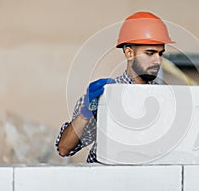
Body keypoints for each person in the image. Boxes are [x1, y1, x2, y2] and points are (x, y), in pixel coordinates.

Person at [55, 11, 175, 163]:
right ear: (129, 53)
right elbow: (64, 148)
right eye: (150, 53)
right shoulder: (105, 94)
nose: (157, 61)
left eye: (160, 53)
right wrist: (86, 111)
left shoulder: (166, 97)